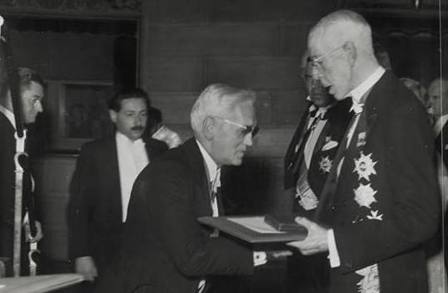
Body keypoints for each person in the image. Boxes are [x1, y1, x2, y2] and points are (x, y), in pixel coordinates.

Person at [288, 10, 440, 293]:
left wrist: (332, 241)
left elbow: (421, 217)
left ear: (348, 51)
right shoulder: (363, 107)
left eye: (320, 62)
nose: (317, 77)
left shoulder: (399, 109)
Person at [95, 83, 279, 293]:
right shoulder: (169, 173)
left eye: (253, 132)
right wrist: (265, 252)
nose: (250, 141)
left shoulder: (204, 169)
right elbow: (192, 255)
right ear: (210, 127)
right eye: (244, 130)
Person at [68, 88, 168, 287]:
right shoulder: (94, 152)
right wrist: (82, 254)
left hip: (151, 243)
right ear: (114, 116)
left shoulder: (159, 150)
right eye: (130, 115)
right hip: (107, 246)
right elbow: (78, 207)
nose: (138, 121)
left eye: (143, 114)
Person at [284, 51, 352, 293]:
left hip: (328, 218)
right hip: (302, 213)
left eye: (319, 79)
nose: (315, 86)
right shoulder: (311, 113)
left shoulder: (346, 117)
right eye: (308, 78)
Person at [0, 67, 45, 275]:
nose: (40, 108)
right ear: (13, 96)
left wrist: (28, 219)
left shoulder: (14, 133)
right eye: (35, 99)